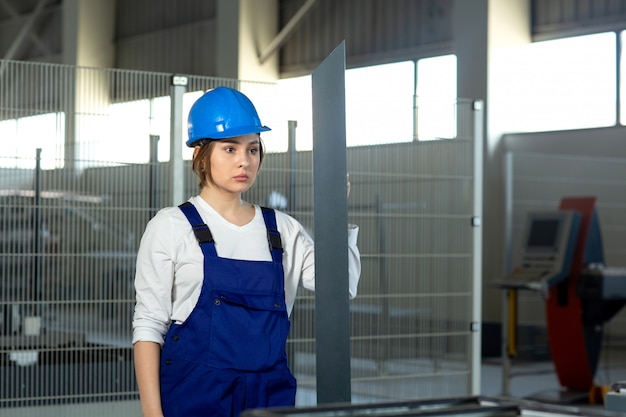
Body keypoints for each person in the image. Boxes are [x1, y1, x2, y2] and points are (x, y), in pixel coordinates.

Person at [132, 86, 361, 417]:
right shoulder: (171, 226)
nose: (244, 161)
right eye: (229, 149)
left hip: (268, 399)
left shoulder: (281, 230)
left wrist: (339, 215)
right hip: (194, 397)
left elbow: (342, 287)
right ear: (200, 154)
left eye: (252, 149)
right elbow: (149, 325)